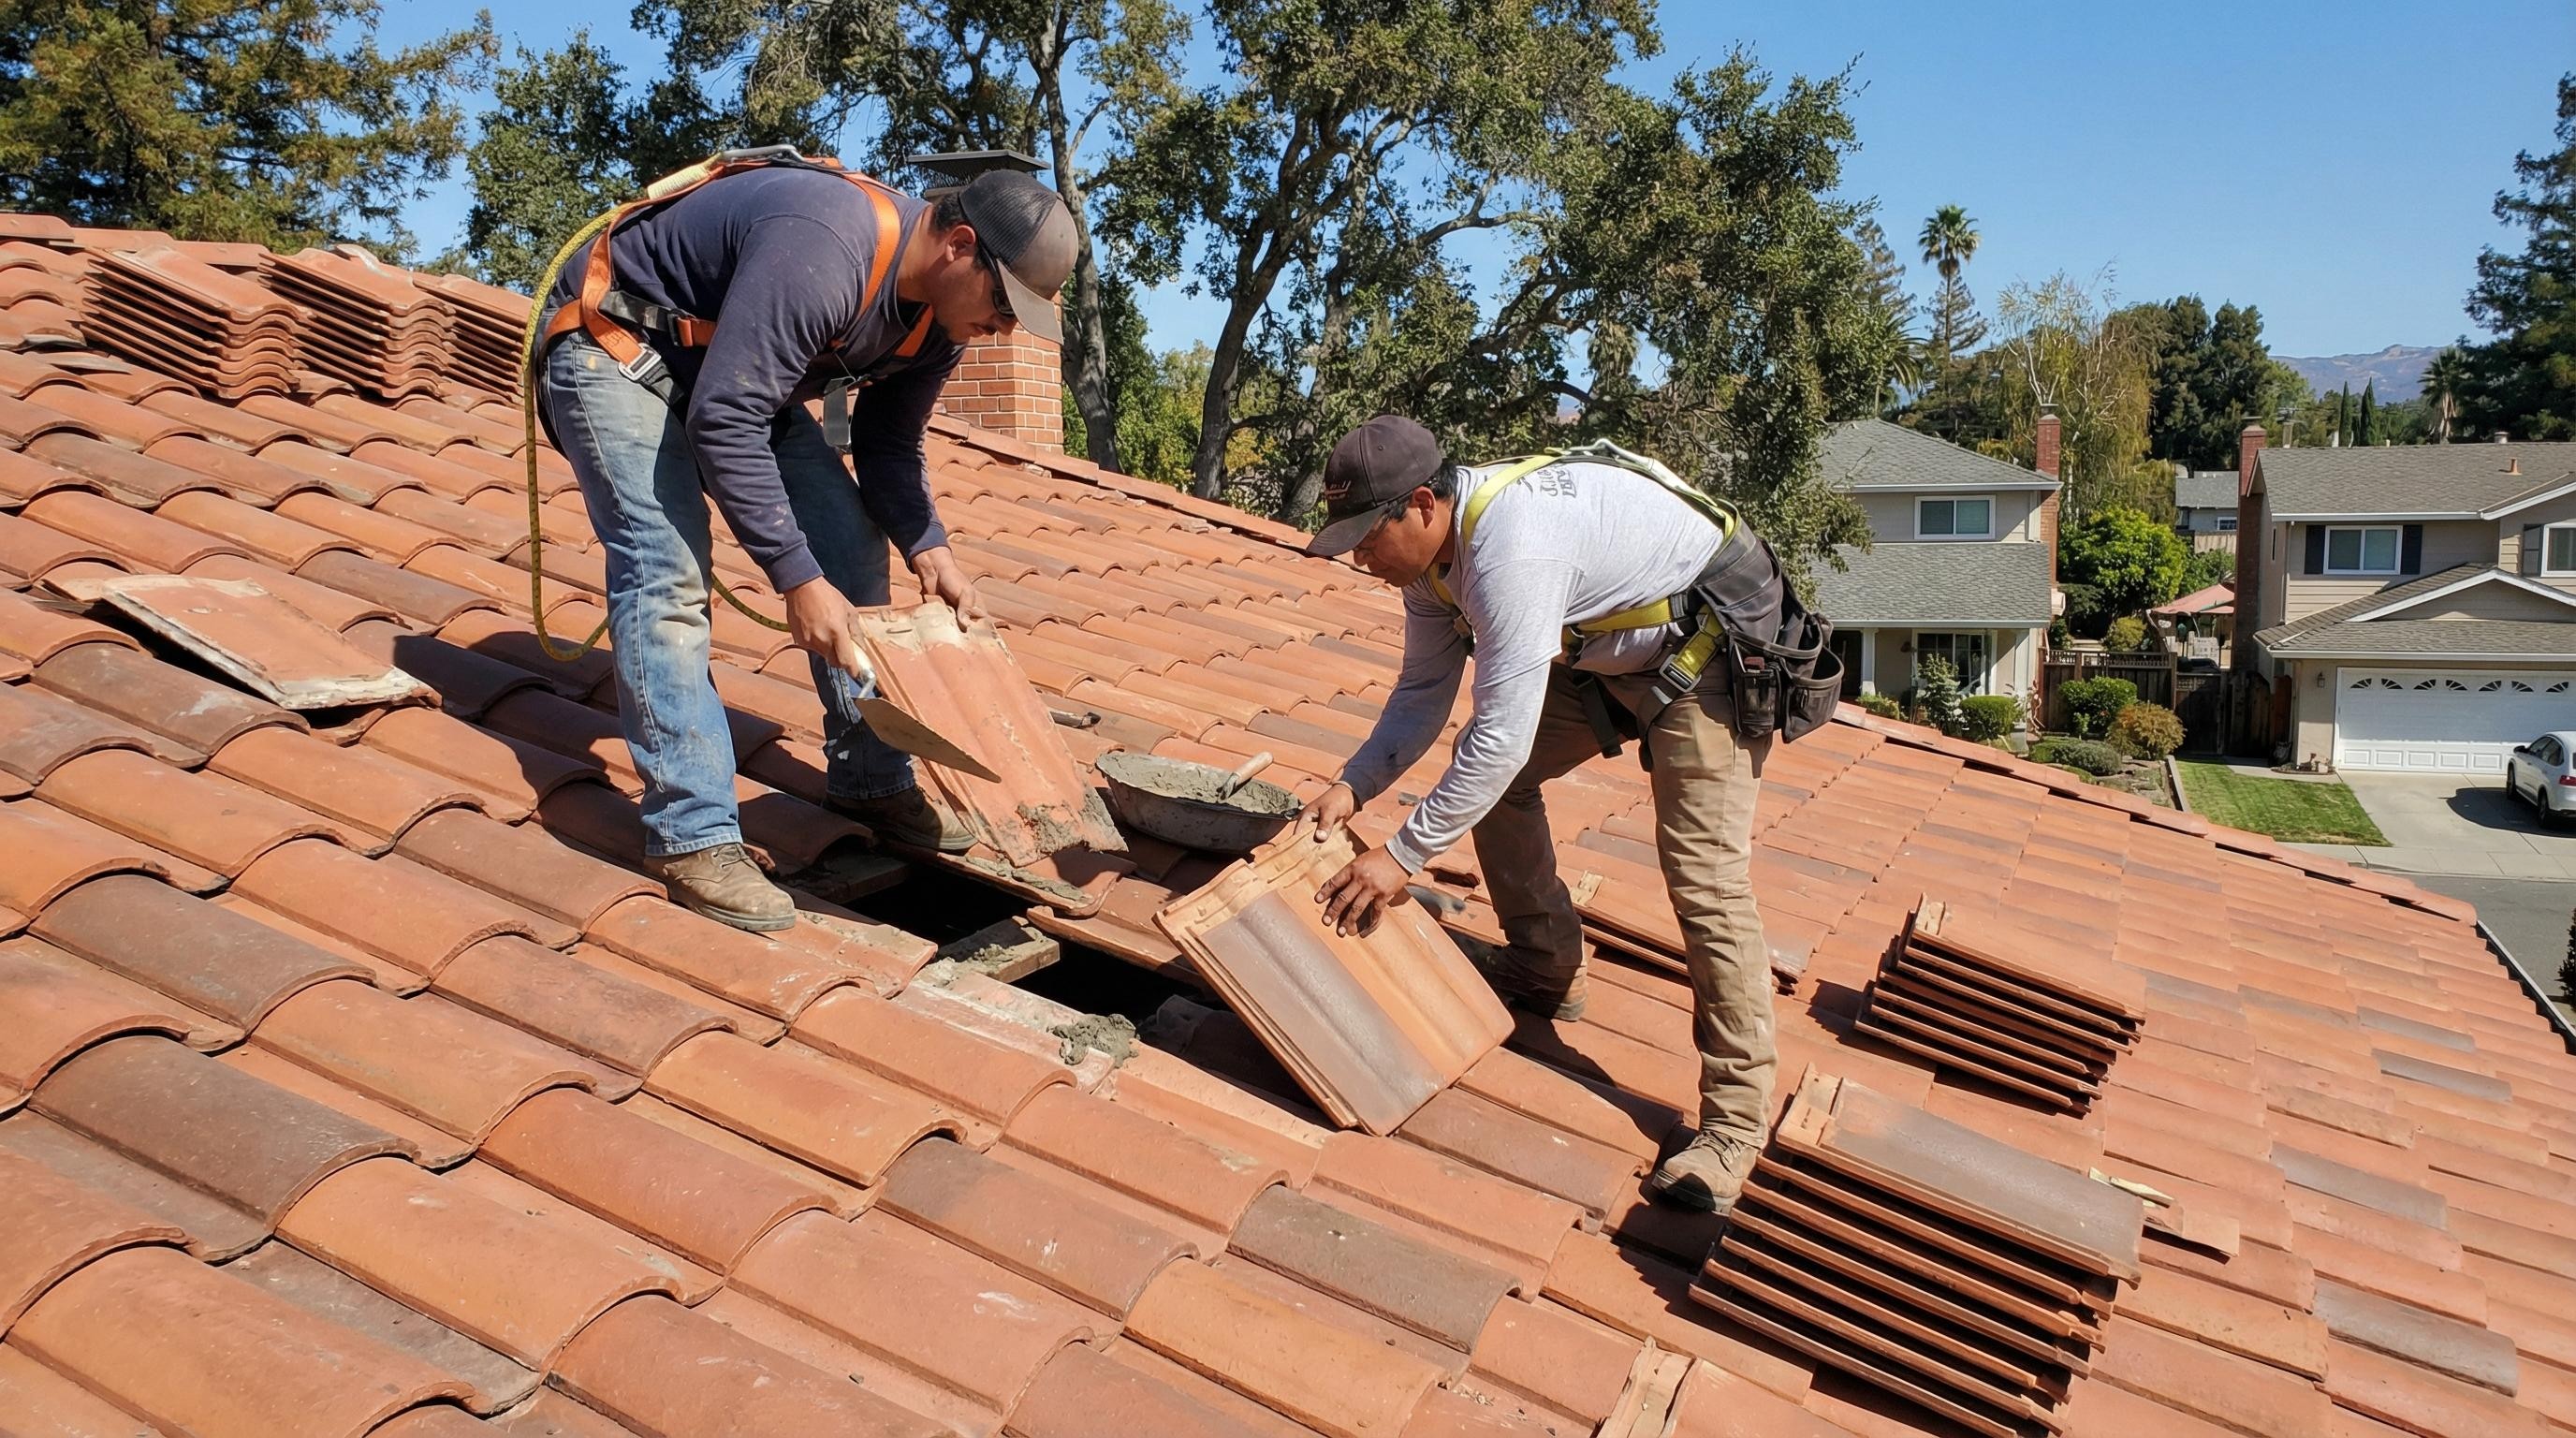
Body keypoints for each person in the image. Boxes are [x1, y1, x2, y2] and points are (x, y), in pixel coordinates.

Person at [537, 161, 1076, 932]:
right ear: (960, 245)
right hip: (614, 346)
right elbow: (724, 420)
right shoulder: (826, 246)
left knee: (855, 546)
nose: (1005, 330)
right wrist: (796, 579)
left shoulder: (939, 322)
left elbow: (887, 447)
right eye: (1004, 305)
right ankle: (691, 836)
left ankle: (871, 780)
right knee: (667, 575)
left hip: (736, 376)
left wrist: (933, 552)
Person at [1298, 416, 1776, 1213]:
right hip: (1611, 649)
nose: (1359, 557)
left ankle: (1735, 1125)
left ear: (1422, 504)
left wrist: (1400, 858)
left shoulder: (1511, 551)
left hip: (1706, 655)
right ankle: (1547, 968)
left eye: (1366, 536)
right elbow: (1423, 697)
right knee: (1493, 786)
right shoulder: (1426, 570)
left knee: (1705, 880)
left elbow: (1499, 739)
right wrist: (1353, 786)